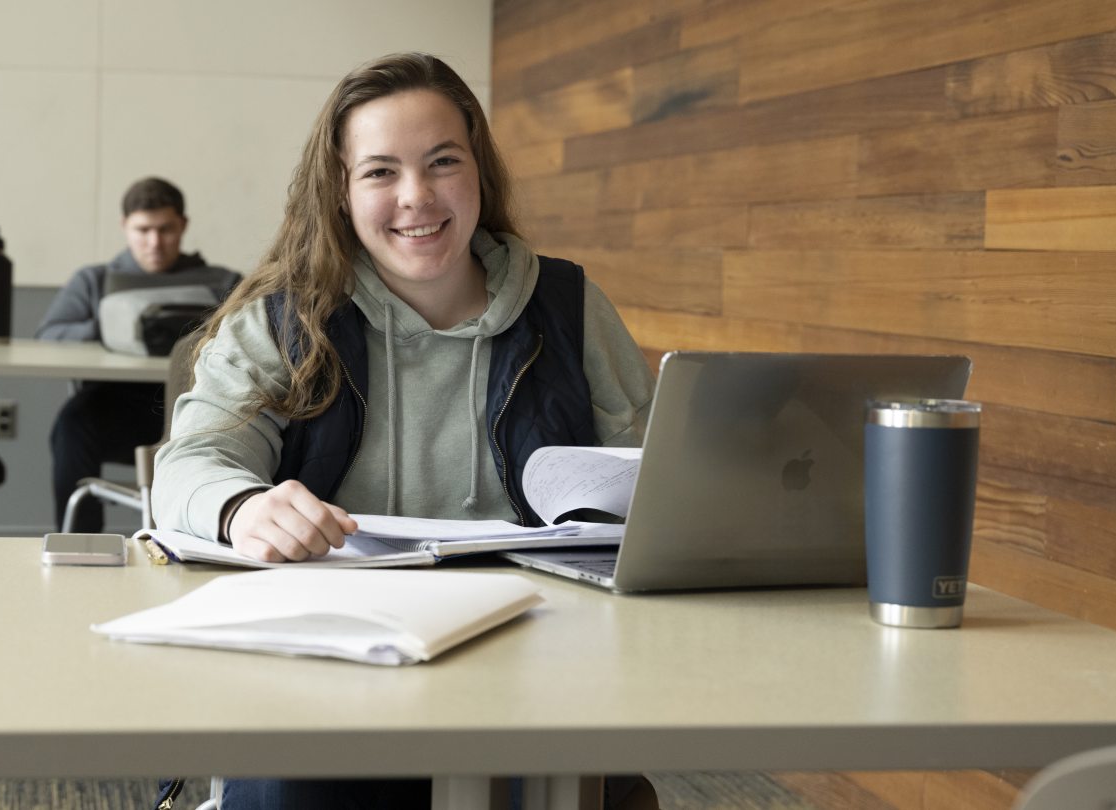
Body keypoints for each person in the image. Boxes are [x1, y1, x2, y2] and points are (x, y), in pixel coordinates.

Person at [151, 53, 658, 809]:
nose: (416, 197)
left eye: (442, 162)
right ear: (342, 193)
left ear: (478, 172)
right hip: (323, 682)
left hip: (533, 674)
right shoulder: (283, 319)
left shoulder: (572, 308)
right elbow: (191, 463)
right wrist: (242, 508)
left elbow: (655, 483)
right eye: (380, 172)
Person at [38, 177, 239, 533]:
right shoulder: (95, 281)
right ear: (124, 227)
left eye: (166, 230)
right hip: (118, 409)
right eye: (143, 230)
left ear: (183, 225)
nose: (155, 243)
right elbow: (50, 335)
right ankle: (79, 546)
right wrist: (109, 332)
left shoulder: (222, 282)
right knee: (71, 425)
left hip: (197, 408)